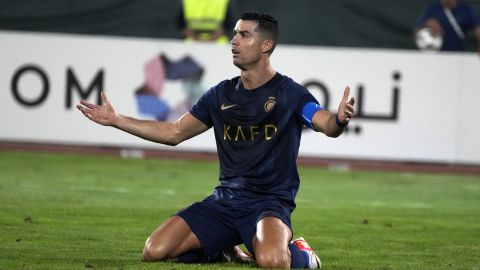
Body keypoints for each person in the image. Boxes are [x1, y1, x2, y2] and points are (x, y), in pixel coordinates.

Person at [77, 11, 355, 269]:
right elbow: (174, 132)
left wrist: (339, 120)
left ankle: (303, 253)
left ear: (265, 45)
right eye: (234, 33)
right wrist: (117, 120)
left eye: (244, 35)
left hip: (268, 205)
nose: (233, 40)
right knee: (155, 251)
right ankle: (224, 247)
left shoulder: (290, 93)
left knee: (272, 261)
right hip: (224, 202)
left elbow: (325, 123)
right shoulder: (220, 95)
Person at [414, 0, 480, 52]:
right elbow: (416, 31)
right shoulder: (432, 9)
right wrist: (427, 24)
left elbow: (478, 29)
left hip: (459, 54)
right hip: (436, 55)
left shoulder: (465, 9)